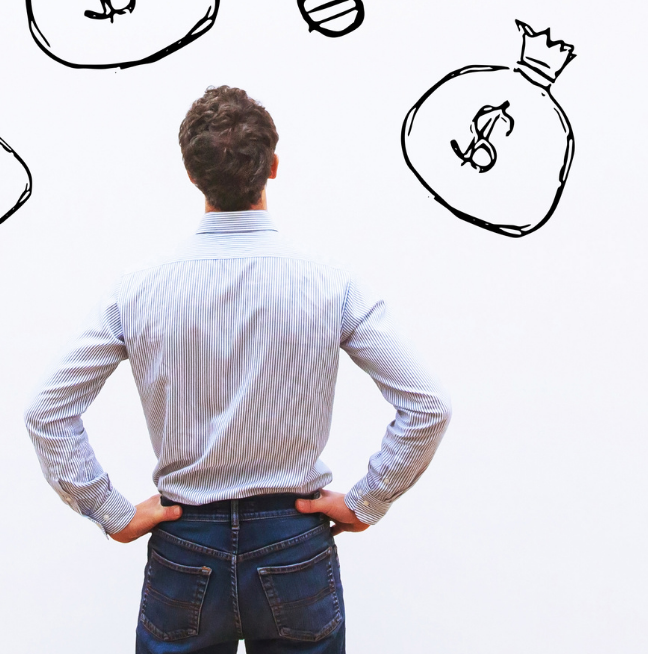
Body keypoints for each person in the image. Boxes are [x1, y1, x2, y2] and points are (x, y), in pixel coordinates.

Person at [25, 86, 451, 653]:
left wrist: (112, 512)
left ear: (191, 174)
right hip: (294, 541)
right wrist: (367, 499)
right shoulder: (331, 286)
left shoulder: (139, 291)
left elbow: (47, 411)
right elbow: (428, 404)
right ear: (273, 167)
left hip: (185, 543)